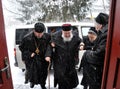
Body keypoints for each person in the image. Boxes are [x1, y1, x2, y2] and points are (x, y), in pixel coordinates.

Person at [45, 24, 81, 89]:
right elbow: (49, 46)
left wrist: (81, 45)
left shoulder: (75, 35)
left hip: (71, 61)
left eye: (68, 33)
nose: (67, 35)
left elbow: (80, 42)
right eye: (65, 33)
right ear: (62, 31)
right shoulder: (55, 36)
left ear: (71, 31)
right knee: (61, 80)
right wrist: (48, 55)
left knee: (71, 80)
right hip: (59, 61)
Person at [80, 12, 109, 89]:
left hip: (99, 72)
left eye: (95, 23)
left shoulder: (105, 35)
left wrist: (87, 53)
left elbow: (98, 55)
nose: (95, 25)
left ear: (100, 25)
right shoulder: (103, 33)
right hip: (97, 72)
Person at [19, 22, 51, 89]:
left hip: (43, 59)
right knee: (33, 73)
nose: (39, 35)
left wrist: (47, 55)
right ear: (34, 31)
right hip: (32, 59)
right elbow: (21, 48)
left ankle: (43, 85)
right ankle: (32, 82)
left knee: (43, 74)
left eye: (41, 33)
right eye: (38, 33)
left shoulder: (47, 36)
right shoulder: (27, 38)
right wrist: (29, 53)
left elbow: (49, 46)